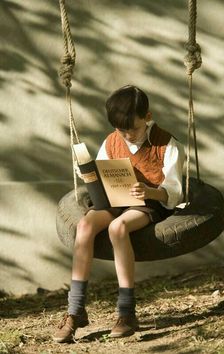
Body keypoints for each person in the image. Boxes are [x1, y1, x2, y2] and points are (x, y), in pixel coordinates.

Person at [53, 85, 185, 343]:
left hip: (147, 203)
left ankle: (126, 311)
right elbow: (104, 172)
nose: (127, 136)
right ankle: (75, 310)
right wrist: (90, 175)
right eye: (121, 130)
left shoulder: (167, 144)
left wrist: (150, 191)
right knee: (85, 226)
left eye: (132, 129)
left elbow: (175, 192)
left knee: (118, 228)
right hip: (115, 198)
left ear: (147, 116)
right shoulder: (112, 141)